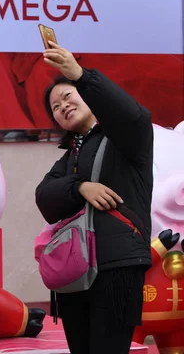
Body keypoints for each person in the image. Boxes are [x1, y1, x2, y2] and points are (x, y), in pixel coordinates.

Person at [35, 41, 153, 353]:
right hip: (75, 271)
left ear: (87, 96)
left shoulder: (125, 140)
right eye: (55, 108)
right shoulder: (69, 156)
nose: (62, 107)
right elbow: (45, 198)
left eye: (67, 97)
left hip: (117, 265)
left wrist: (81, 76)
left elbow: (133, 116)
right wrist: (81, 187)